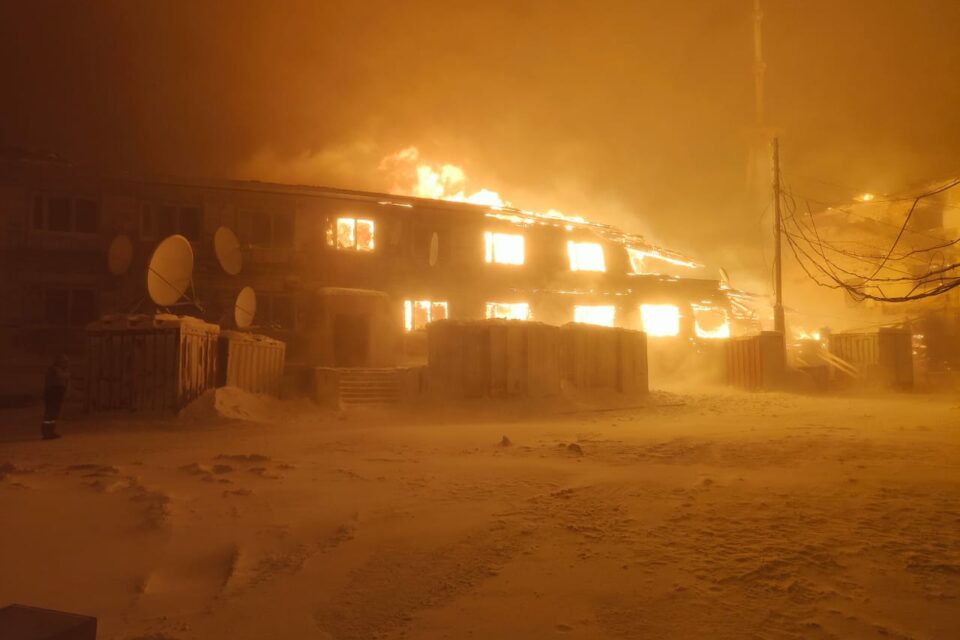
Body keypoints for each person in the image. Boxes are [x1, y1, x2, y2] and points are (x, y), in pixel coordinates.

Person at [41, 354, 70, 440]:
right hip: (52, 393)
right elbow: (61, 376)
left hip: (57, 393)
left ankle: (51, 431)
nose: (66, 363)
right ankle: (46, 432)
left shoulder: (61, 370)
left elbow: (65, 381)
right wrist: (67, 374)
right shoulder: (54, 369)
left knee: (54, 414)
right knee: (50, 413)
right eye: (64, 362)